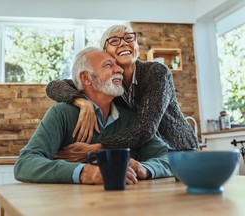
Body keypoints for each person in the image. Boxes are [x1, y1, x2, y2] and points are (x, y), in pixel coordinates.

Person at [14, 47, 173, 184]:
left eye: (117, 65)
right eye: (108, 65)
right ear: (86, 78)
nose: (119, 70)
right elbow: (25, 164)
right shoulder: (61, 114)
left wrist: (144, 168)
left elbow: (170, 158)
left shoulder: (131, 119)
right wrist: (86, 173)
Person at [45, 25, 198, 160]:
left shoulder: (157, 72)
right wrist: (82, 102)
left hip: (178, 152)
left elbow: (145, 129)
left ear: (136, 46)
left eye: (129, 38)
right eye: (114, 41)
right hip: (145, 156)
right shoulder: (108, 84)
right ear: (105, 52)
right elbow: (54, 86)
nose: (124, 43)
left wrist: (96, 149)